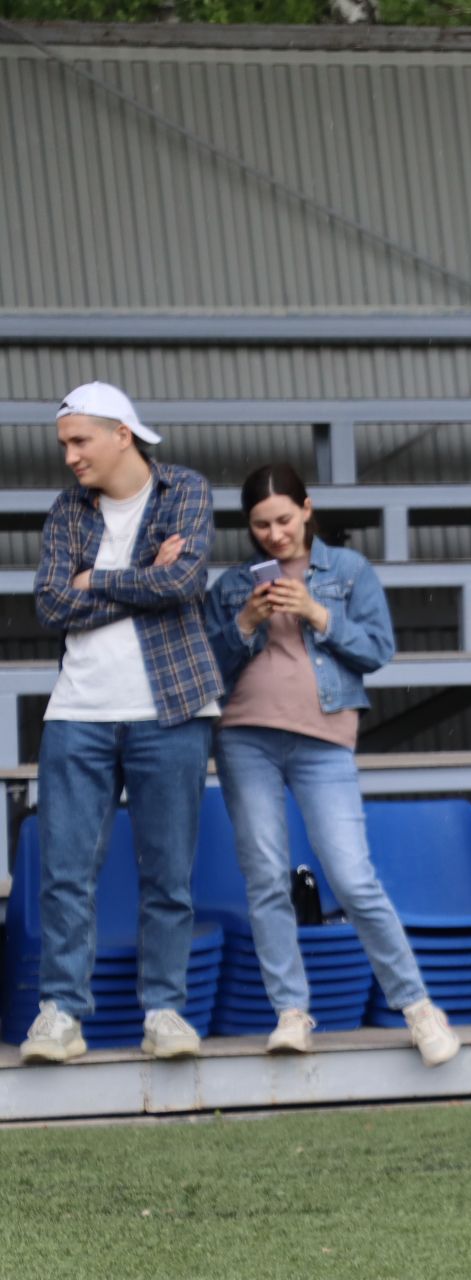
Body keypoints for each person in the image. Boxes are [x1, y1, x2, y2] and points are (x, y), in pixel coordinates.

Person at [205, 464, 462, 1066]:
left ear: (308, 509)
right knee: (266, 878)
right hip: (245, 736)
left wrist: (318, 613)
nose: (274, 534)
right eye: (261, 525)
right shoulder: (232, 584)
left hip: (324, 740)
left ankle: (419, 1008)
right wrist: (245, 623)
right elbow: (209, 670)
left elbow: (378, 650)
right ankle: (290, 1012)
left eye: (285, 520)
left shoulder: (347, 571)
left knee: (352, 877)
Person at [22, 382, 224, 1065]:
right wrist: (140, 575)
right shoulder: (65, 510)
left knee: (168, 874)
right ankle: (60, 1014)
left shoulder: (186, 490)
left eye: (80, 442)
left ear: (122, 435)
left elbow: (184, 584)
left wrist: (95, 580)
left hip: (169, 709)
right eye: (64, 445)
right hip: (77, 712)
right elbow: (50, 606)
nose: (70, 457)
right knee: (65, 873)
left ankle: (164, 1011)